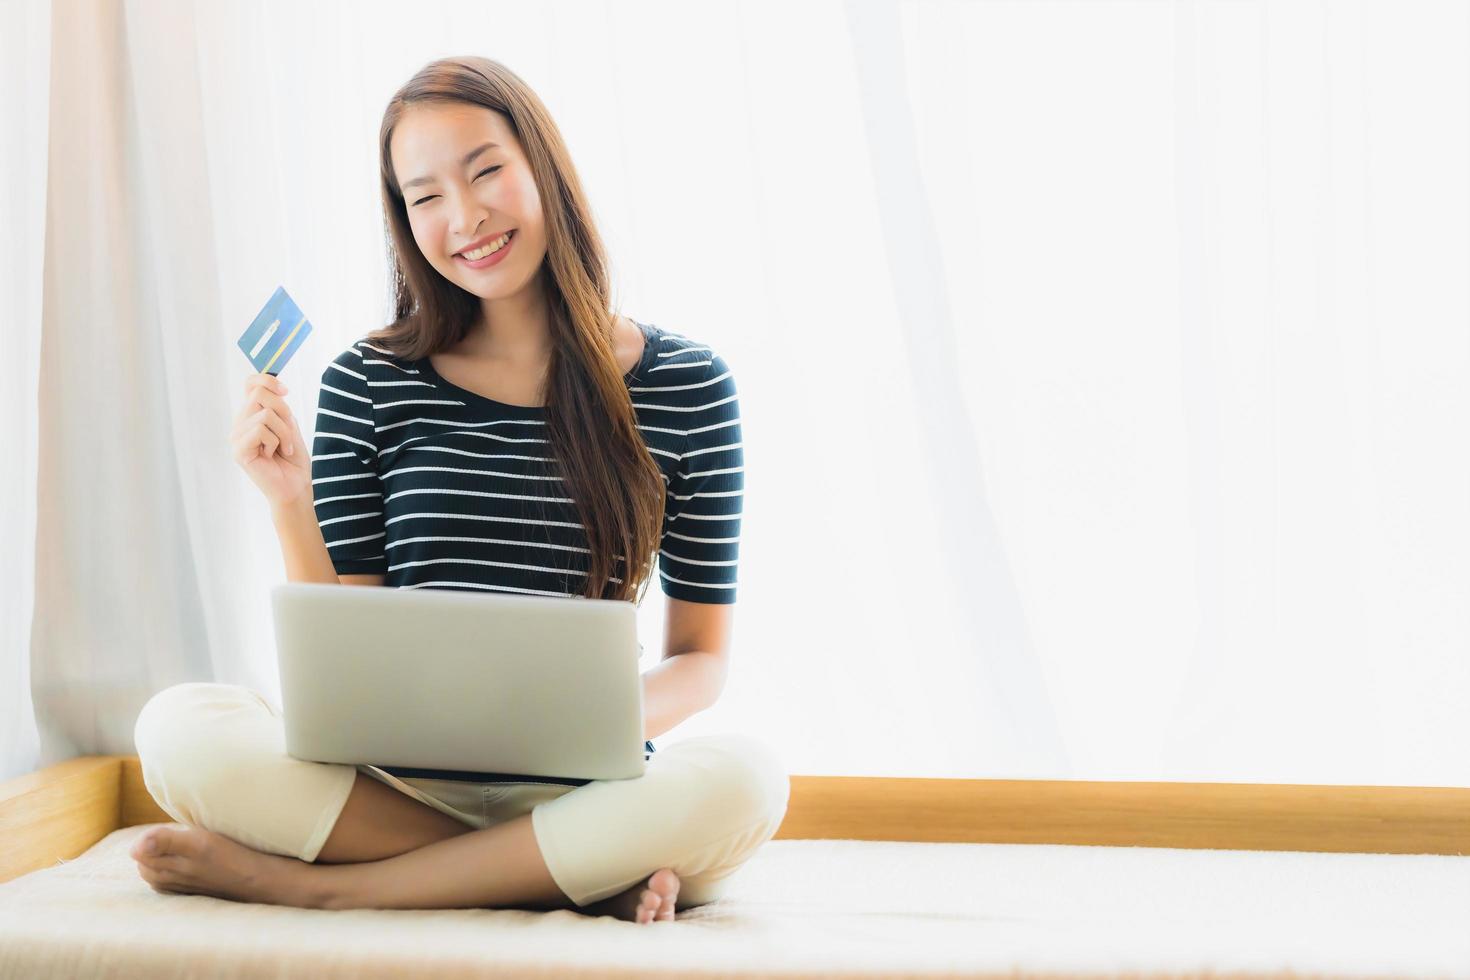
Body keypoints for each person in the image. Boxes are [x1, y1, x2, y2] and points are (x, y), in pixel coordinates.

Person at [129, 55, 787, 925]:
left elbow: (701, 659)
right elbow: (349, 643)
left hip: (587, 787)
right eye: (424, 196)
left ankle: (327, 885)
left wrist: (583, 721)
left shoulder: (690, 385)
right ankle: (566, 876)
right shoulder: (368, 380)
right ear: (403, 219)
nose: (464, 217)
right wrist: (289, 499)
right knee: (178, 728)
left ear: (542, 167)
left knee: (747, 783)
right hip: (399, 788)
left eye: (485, 172)